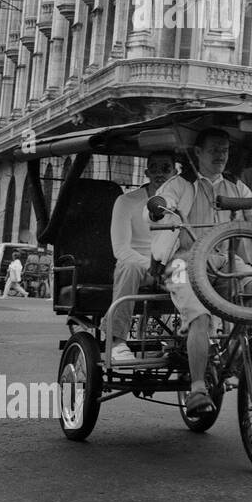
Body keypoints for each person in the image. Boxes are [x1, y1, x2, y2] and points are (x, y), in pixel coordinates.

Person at [149, 129, 252, 413]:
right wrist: (160, 209)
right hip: (181, 262)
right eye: (214, 149)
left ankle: (237, 355)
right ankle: (196, 389)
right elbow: (160, 206)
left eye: (225, 150)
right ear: (198, 153)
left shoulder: (235, 186)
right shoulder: (179, 184)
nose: (221, 155)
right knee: (199, 316)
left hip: (222, 258)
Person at [108, 151, 177, 363]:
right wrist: (153, 267)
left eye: (165, 168)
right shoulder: (127, 201)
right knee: (128, 266)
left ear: (175, 172)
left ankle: (188, 338)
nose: (160, 173)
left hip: (170, 267)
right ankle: (116, 340)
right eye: (154, 168)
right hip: (138, 267)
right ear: (147, 172)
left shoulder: (181, 203)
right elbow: (120, 249)